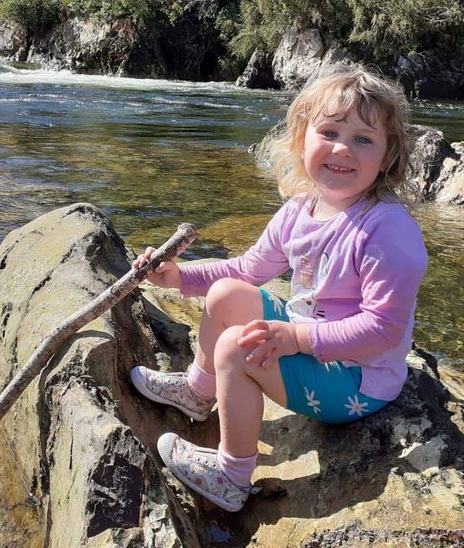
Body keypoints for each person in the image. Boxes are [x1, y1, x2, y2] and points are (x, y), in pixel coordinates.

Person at [129, 66, 428, 512]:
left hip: (358, 380)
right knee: (226, 293)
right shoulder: (300, 210)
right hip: (311, 340)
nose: (342, 148)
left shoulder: (388, 231)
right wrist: (179, 278)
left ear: (387, 156)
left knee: (236, 347)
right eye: (328, 131)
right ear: (301, 139)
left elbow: (383, 329)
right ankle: (198, 393)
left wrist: (295, 338)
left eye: (363, 139)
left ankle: (231, 477)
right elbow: (248, 269)